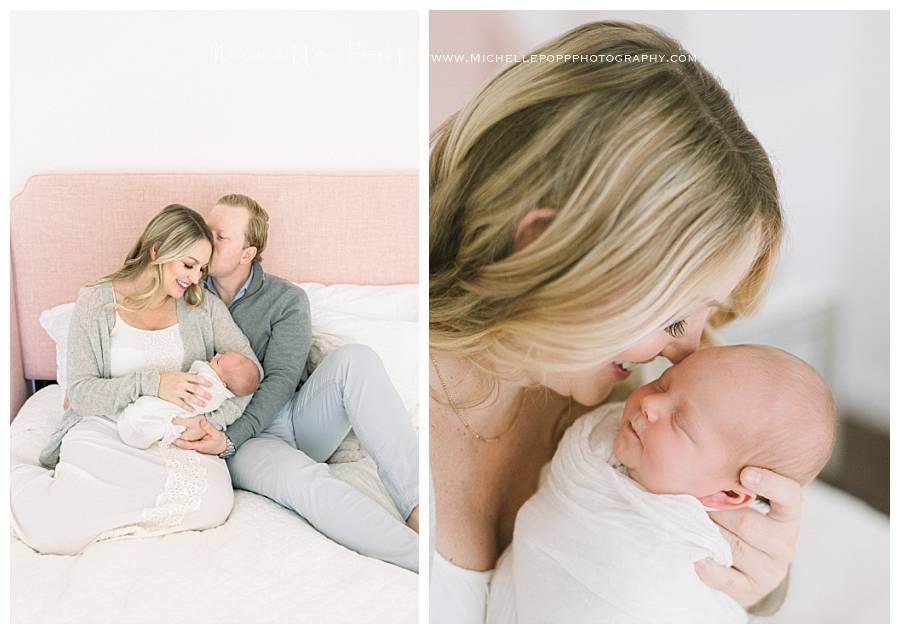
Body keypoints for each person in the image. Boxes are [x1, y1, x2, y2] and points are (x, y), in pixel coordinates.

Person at [429, 21, 799, 622]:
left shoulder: (641, 415)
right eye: (675, 314)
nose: (687, 354)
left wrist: (757, 576)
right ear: (545, 250)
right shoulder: (380, 391)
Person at [486, 345, 837, 623]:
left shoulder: (691, 542)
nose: (650, 402)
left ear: (728, 494)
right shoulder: (601, 440)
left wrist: (763, 589)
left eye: (681, 423)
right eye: (663, 382)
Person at [173, 193, 420, 572]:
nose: (205, 239)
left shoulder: (285, 299)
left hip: (294, 417)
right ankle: (419, 559)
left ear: (247, 253)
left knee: (358, 359)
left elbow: (283, 379)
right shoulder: (185, 294)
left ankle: (418, 508)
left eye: (220, 236)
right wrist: (230, 439)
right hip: (244, 442)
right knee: (301, 480)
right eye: (206, 230)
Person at [10, 204, 262, 555]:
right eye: (188, 265)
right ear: (157, 250)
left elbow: (249, 372)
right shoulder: (96, 301)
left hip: (170, 435)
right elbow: (81, 393)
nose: (195, 278)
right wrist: (153, 383)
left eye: (202, 269)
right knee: (52, 531)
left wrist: (204, 422)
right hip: (104, 428)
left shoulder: (202, 307)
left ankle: (107, 522)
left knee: (213, 503)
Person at [117, 351, 261, 449]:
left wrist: (205, 425)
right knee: (149, 410)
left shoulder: (212, 386)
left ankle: (139, 428)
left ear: (223, 385)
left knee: (150, 410)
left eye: (218, 361)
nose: (216, 354)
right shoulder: (225, 381)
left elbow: (249, 381)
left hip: (183, 416)